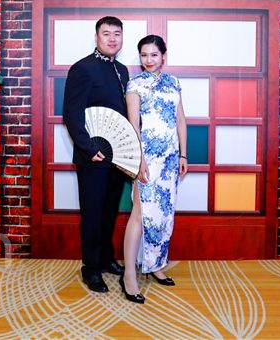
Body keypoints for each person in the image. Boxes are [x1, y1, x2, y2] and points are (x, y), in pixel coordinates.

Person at [62, 16, 130, 293]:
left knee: (109, 210)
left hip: (118, 155)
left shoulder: (122, 70)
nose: (112, 39)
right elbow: (72, 113)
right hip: (93, 155)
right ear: (96, 37)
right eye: (106, 34)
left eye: (117, 34)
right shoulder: (82, 68)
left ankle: (105, 257)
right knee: (92, 211)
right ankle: (91, 268)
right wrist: (89, 149)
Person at [121, 34, 187, 304]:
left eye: (154, 55)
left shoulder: (174, 83)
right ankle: (129, 276)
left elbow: (180, 120)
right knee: (139, 214)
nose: (148, 60)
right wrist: (139, 160)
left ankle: (156, 265)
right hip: (146, 158)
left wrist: (183, 154)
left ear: (163, 56)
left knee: (163, 213)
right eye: (144, 55)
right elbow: (133, 125)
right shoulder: (135, 84)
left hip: (170, 159)